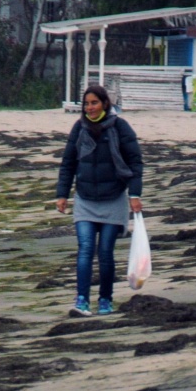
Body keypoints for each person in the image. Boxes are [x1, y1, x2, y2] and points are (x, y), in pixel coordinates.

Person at [55, 84, 144, 316]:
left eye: (94, 103)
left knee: (105, 252)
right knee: (85, 248)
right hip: (85, 199)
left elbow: (135, 162)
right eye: (86, 104)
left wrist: (135, 194)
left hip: (114, 199)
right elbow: (68, 162)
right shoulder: (80, 127)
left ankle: (105, 299)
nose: (90, 108)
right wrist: (62, 194)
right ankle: (82, 299)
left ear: (105, 103)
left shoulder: (120, 127)